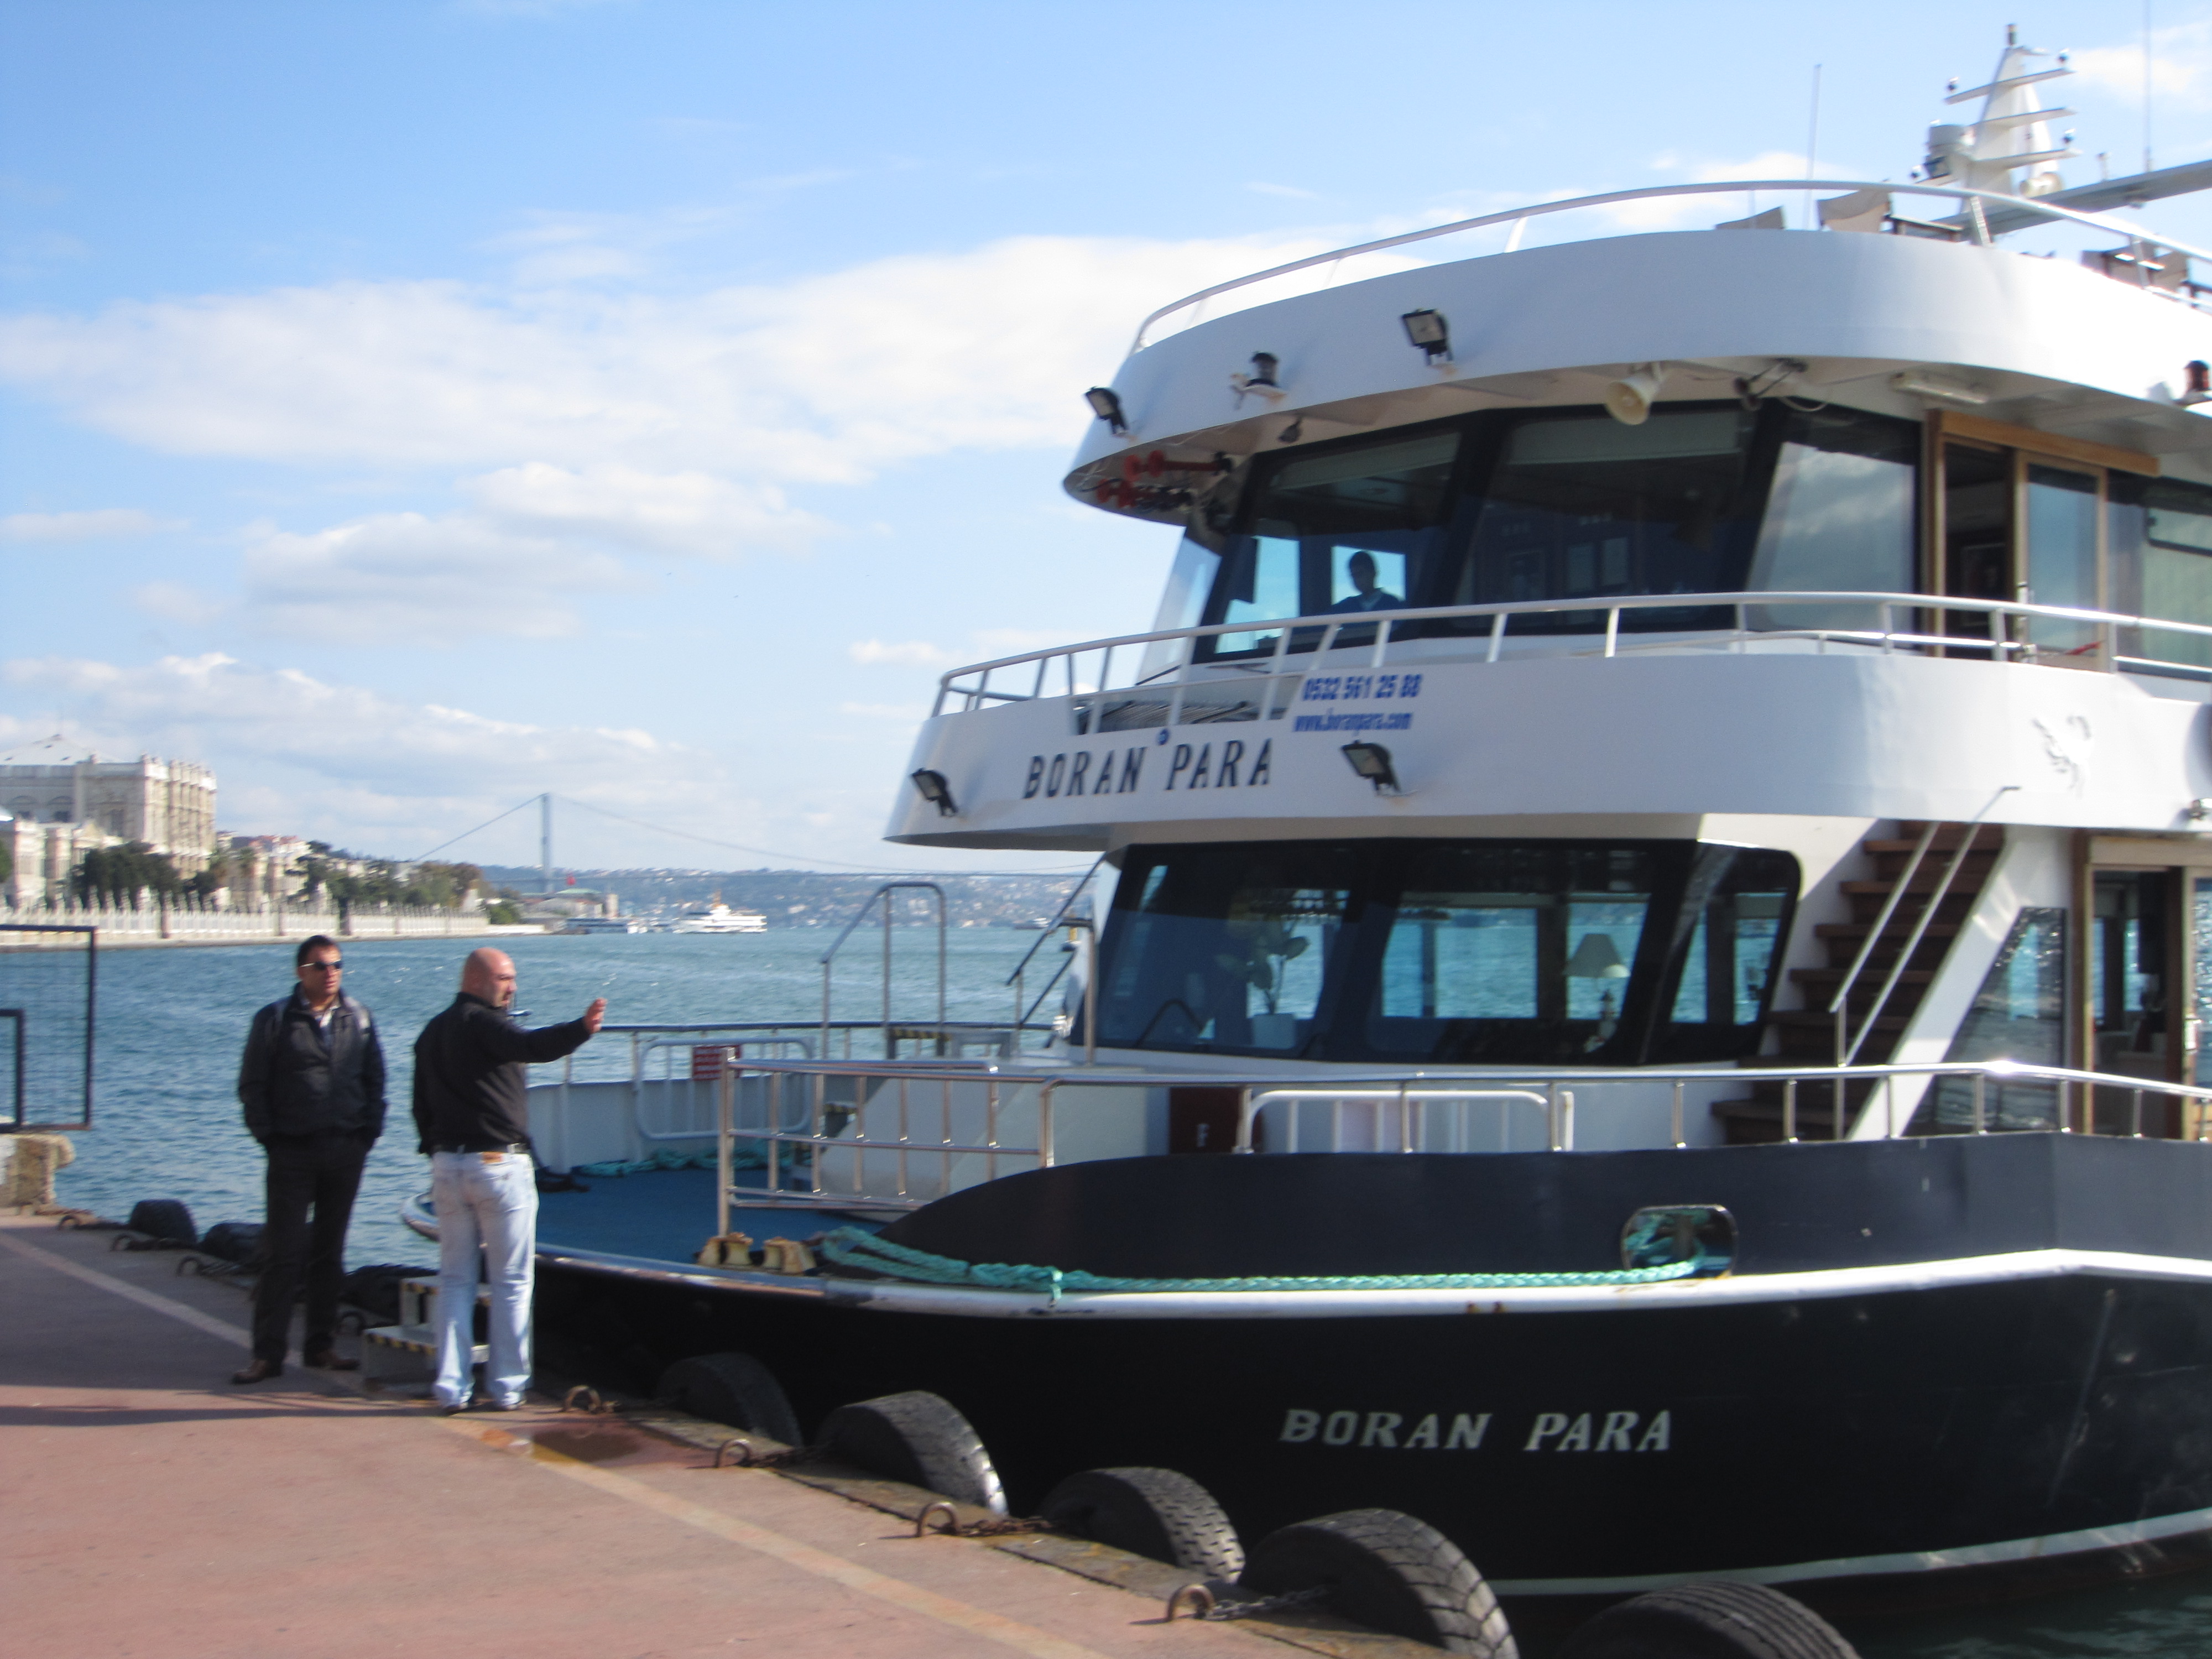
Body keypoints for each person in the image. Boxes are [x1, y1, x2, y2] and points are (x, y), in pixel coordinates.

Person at [413, 948, 605, 1412]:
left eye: (513, 978)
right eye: (504, 978)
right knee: (512, 1281)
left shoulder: (433, 1032)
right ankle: (507, 1388)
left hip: (448, 1165)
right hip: (498, 1165)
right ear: (476, 981)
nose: (512, 987)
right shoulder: (485, 1024)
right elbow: (532, 1046)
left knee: (455, 1280)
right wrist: (582, 1029)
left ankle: (451, 1388)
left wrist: (434, 1149)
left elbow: (420, 1103)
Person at [232, 934, 385, 1385]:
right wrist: (271, 1139)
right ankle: (267, 1355)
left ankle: (321, 1346)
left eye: (337, 964)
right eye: (321, 966)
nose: (331, 973)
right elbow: (253, 1085)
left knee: (329, 1254)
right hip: (292, 1151)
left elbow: (375, 1080)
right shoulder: (276, 1019)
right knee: (283, 1254)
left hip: (345, 1150)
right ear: (301, 972)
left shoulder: (358, 1017)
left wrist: (367, 1134)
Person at [1328, 550, 1405, 613]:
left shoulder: (1393, 604)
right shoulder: (1345, 607)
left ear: (1373, 573)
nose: (1357, 579)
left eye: (1360, 574)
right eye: (1354, 576)